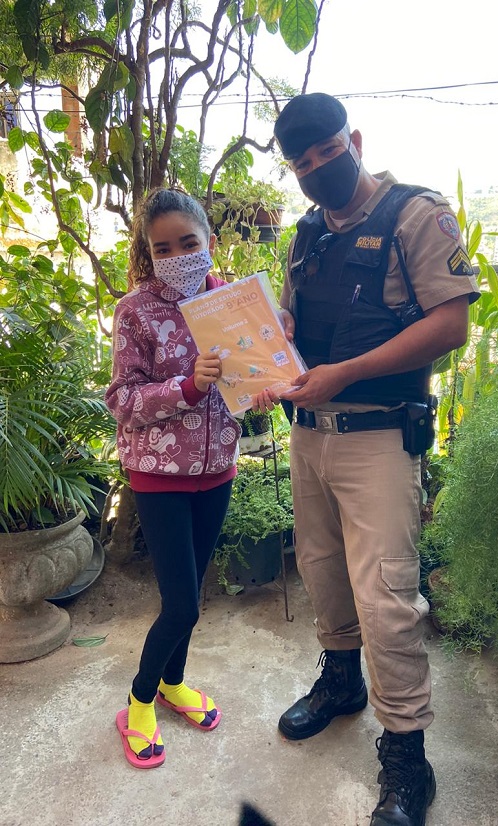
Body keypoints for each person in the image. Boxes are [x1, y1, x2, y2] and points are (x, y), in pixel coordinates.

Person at [256, 93, 480, 825]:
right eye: (303, 163)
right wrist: (276, 340)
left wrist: (347, 371)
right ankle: (341, 681)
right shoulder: (305, 235)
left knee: (387, 597)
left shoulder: (415, 214)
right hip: (309, 431)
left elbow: (453, 325)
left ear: (352, 139)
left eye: (327, 152)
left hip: (379, 435)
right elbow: (293, 319)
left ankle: (408, 755)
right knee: (323, 575)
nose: (319, 170)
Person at [105, 187, 241, 769]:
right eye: (164, 248)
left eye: (189, 242)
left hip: (218, 469)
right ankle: (138, 701)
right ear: (149, 253)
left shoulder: (233, 302)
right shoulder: (135, 311)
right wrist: (188, 387)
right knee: (181, 604)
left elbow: (253, 376)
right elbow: (122, 399)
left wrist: (258, 389)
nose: (179, 254)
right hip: (158, 477)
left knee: (195, 591)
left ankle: (173, 681)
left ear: (209, 240)